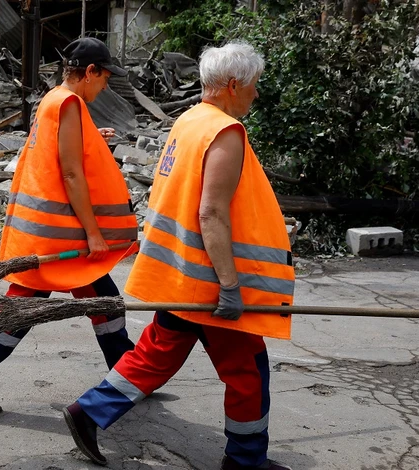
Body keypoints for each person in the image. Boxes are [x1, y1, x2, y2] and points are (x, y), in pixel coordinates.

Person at [63, 42, 295, 470]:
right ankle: (245, 461)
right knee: (248, 371)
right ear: (232, 85)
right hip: (209, 283)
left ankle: (88, 412)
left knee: (156, 353)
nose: (255, 95)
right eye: (254, 86)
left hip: (181, 274)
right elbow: (210, 212)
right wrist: (229, 285)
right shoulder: (225, 133)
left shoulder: (189, 121)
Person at [0, 37, 141, 416]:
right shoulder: (69, 103)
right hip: (59, 239)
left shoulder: (53, 100)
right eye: (104, 78)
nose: (105, 86)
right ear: (89, 72)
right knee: (25, 313)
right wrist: (94, 233)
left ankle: (132, 378)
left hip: (49, 235)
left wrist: (92, 140)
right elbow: (70, 172)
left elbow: (58, 152)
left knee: (106, 305)